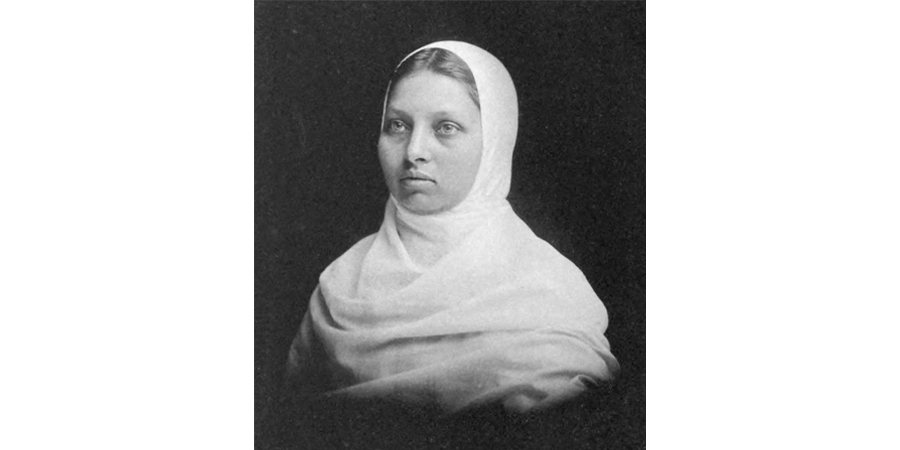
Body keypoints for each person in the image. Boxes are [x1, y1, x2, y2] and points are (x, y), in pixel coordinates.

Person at [286, 41, 619, 414]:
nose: (414, 151)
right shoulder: (339, 286)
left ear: (494, 141)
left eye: (446, 127)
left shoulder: (548, 288)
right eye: (397, 125)